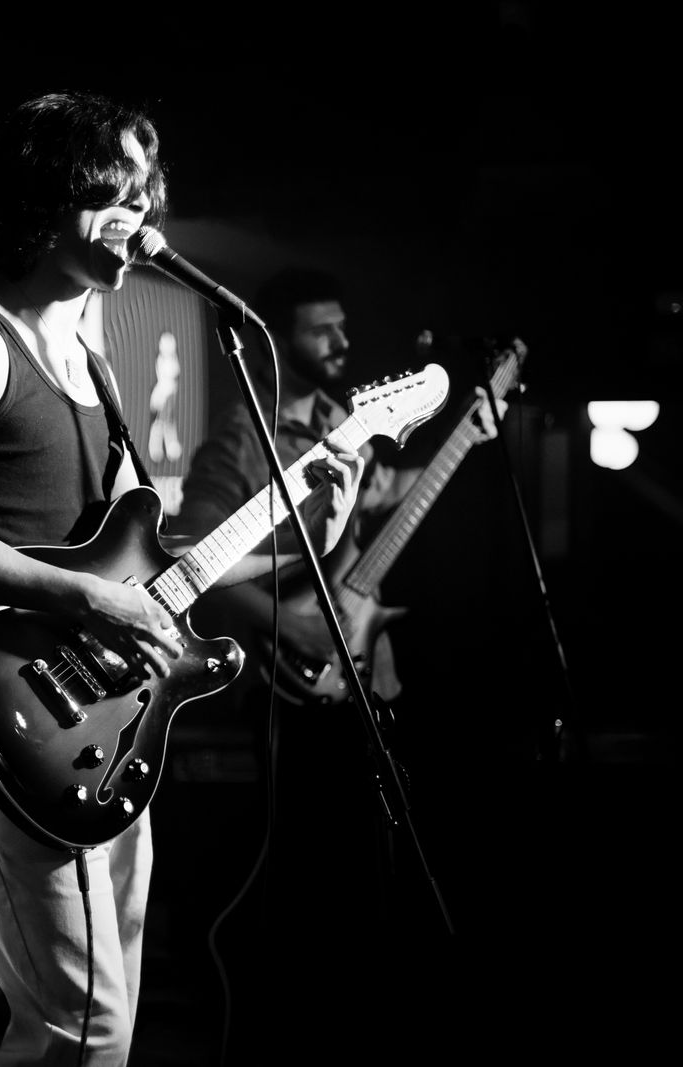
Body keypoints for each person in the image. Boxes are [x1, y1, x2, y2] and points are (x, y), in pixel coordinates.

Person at [0, 90, 366, 1066]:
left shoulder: (95, 359)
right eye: (116, 194)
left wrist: (321, 513)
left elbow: (164, 566)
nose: (140, 218)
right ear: (47, 196)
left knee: (107, 1029)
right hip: (11, 712)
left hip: (102, 722)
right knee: (75, 1032)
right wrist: (89, 596)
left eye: (147, 197)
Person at [169, 265, 512, 1060]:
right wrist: (292, 624)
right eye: (322, 328)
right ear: (280, 338)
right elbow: (202, 565)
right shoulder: (240, 440)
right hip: (291, 687)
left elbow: (391, 489)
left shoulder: (341, 419)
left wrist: (469, 433)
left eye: (342, 324)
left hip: (363, 673)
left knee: (377, 870)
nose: (342, 340)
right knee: (311, 879)